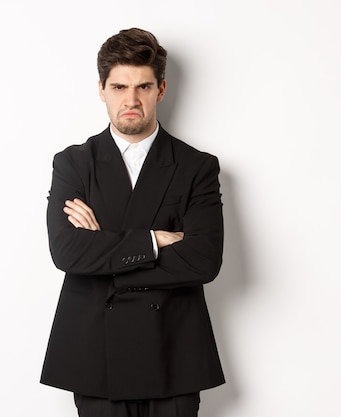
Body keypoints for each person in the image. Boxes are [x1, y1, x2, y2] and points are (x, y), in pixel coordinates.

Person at [40, 27, 225, 417]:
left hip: (172, 352)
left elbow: (204, 260)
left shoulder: (196, 167)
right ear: (101, 89)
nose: (131, 99)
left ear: (160, 89)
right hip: (97, 356)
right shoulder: (73, 163)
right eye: (120, 87)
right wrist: (155, 240)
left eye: (142, 87)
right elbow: (68, 252)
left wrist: (104, 248)